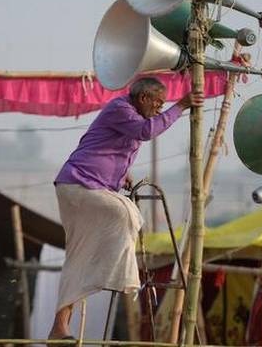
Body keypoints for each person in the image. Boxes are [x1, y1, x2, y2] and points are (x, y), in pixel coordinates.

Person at [48, 77, 204, 340]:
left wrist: (122, 175)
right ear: (143, 98)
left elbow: (105, 147)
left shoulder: (127, 114)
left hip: (84, 186)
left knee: (78, 257)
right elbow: (146, 131)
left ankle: (59, 328)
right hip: (79, 185)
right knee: (125, 214)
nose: (158, 109)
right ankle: (121, 275)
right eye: (158, 104)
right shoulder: (121, 109)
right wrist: (180, 106)